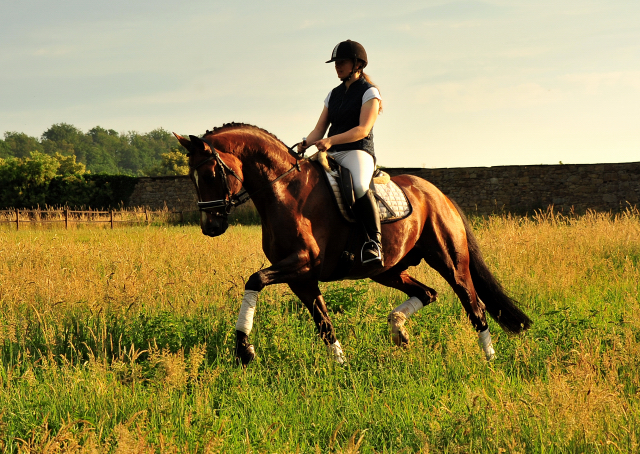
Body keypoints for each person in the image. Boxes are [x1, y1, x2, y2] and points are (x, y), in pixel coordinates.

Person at [299, 39, 383, 265]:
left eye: (342, 62)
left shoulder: (369, 92)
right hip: (332, 152)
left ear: (357, 64)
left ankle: (374, 242)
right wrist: (306, 143)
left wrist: (330, 140)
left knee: (359, 186)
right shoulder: (333, 94)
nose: (337, 66)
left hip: (357, 151)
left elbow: (362, 130)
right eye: (336, 63)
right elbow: (319, 129)